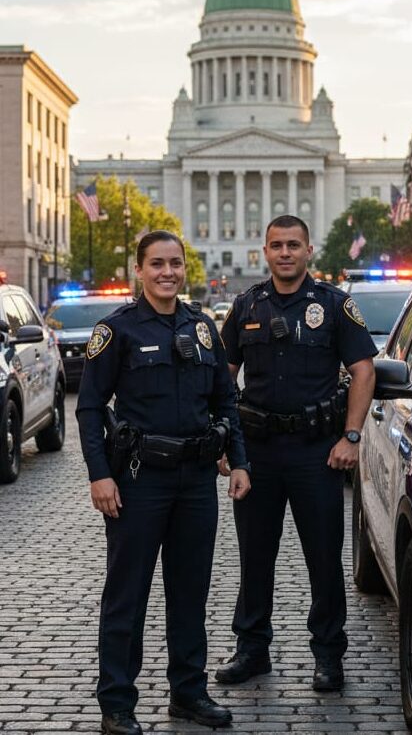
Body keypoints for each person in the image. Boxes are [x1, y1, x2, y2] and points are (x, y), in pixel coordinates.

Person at [76, 230, 251, 735]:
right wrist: (99, 475)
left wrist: (237, 461)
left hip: (196, 480)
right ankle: (117, 703)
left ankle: (188, 692)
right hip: (137, 481)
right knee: (127, 594)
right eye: (157, 264)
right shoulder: (117, 331)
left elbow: (225, 401)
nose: (167, 272)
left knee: (190, 590)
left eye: (174, 263)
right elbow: (89, 408)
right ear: (140, 269)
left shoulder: (202, 329)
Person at [215, 215, 376, 691]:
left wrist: (351, 436)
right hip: (259, 451)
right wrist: (227, 439)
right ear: (264, 252)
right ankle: (252, 651)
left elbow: (363, 371)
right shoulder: (246, 304)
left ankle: (328, 655)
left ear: (309, 250)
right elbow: (223, 375)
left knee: (323, 559)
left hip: (316, 452)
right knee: (254, 557)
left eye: (293, 245)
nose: (285, 253)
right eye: (276, 246)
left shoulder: (334, 305)